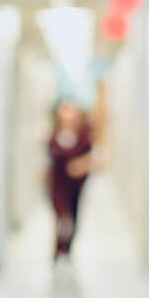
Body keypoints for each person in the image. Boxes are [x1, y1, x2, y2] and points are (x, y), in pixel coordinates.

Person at [47, 99, 95, 263]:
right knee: (63, 220)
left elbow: (91, 158)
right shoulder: (54, 137)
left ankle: (67, 253)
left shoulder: (83, 137)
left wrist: (81, 165)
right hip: (58, 188)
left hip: (76, 189)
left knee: (73, 220)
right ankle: (58, 253)